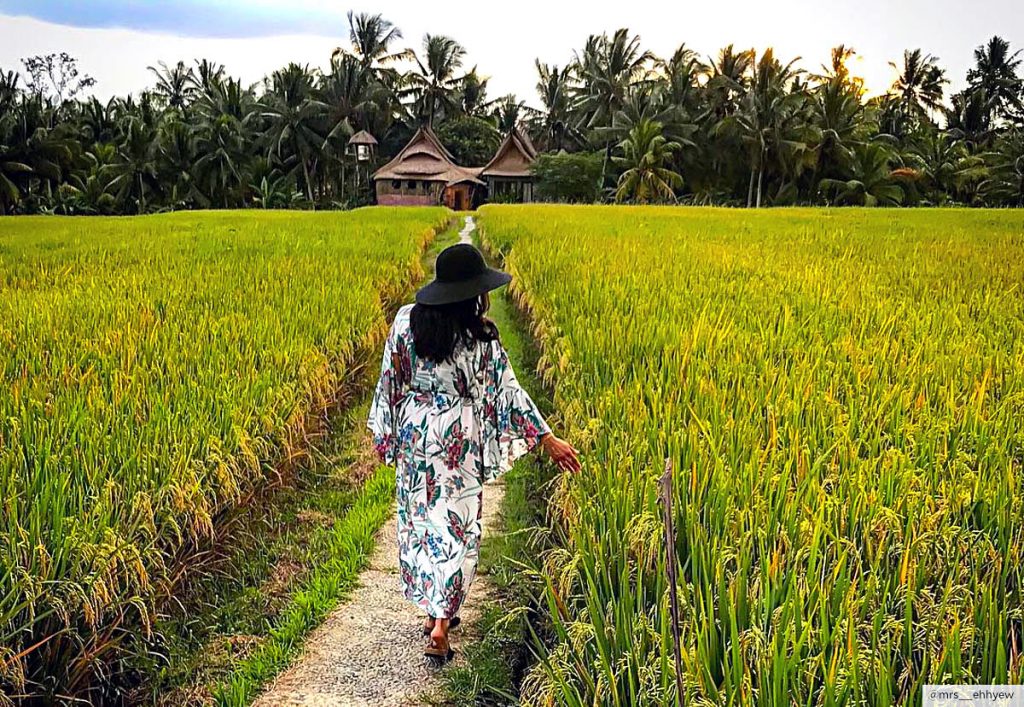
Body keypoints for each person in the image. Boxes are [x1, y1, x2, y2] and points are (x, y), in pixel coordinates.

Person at [367, 242, 580, 660]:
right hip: (457, 442)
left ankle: (434, 612)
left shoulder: (406, 322)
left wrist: (383, 433)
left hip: (415, 433)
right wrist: (547, 439)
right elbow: (508, 393)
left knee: (422, 523)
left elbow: (389, 380)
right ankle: (442, 623)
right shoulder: (480, 336)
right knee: (457, 529)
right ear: (473, 294)